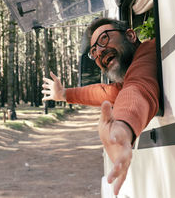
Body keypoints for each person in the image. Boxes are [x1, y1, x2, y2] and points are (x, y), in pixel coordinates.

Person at [42, 17, 159, 195]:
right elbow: (105, 92)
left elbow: (138, 88)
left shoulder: (148, 52)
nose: (99, 52)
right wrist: (64, 94)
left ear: (130, 35)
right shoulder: (128, 76)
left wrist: (123, 126)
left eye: (104, 39)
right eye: (94, 51)